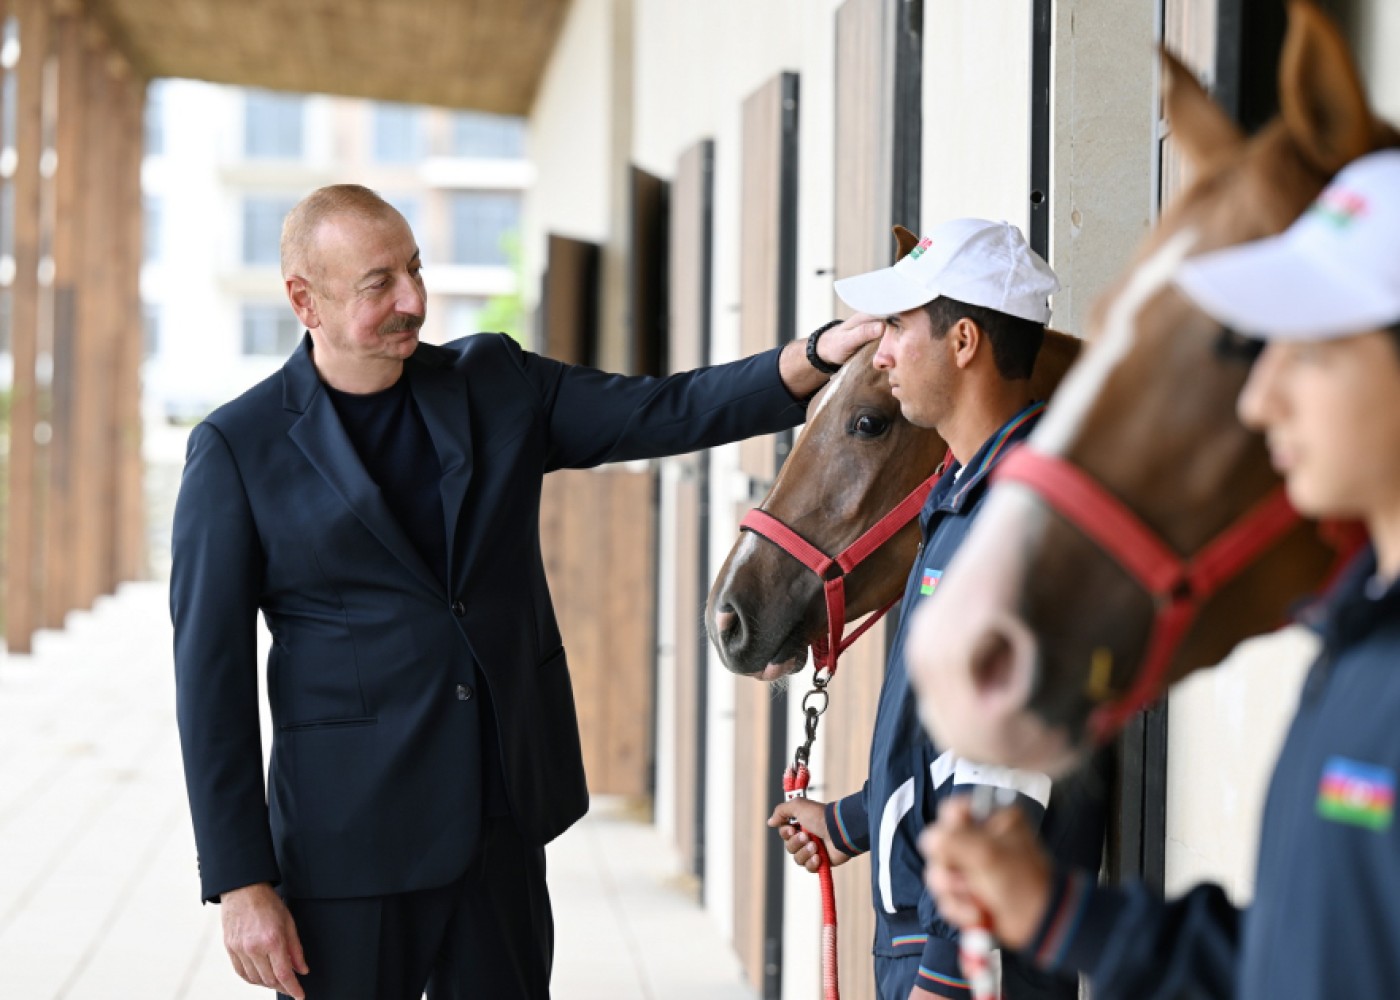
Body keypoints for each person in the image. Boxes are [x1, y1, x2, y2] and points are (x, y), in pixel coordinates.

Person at [170, 183, 882, 1000]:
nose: (413, 300)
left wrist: (817, 355)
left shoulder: (492, 383)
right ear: (305, 300)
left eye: (415, 269)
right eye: (378, 285)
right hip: (346, 847)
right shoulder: (236, 447)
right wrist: (240, 883)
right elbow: (209, 682)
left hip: (498, 824)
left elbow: (664, 408)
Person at [920, 149, 1400, 1000]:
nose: (1260, 399)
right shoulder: (1357, 645)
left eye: (1315, 349)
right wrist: (1059, 914)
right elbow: (1296, 958)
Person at [766, 218, 1108, 1000]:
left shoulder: (1022, 525)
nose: (880, 355)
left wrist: (949, 979)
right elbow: (953, 745)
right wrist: (851, 821)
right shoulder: (965, 497)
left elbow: (1005, 790)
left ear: (962, 343)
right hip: (930, 944)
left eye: (895, 329)